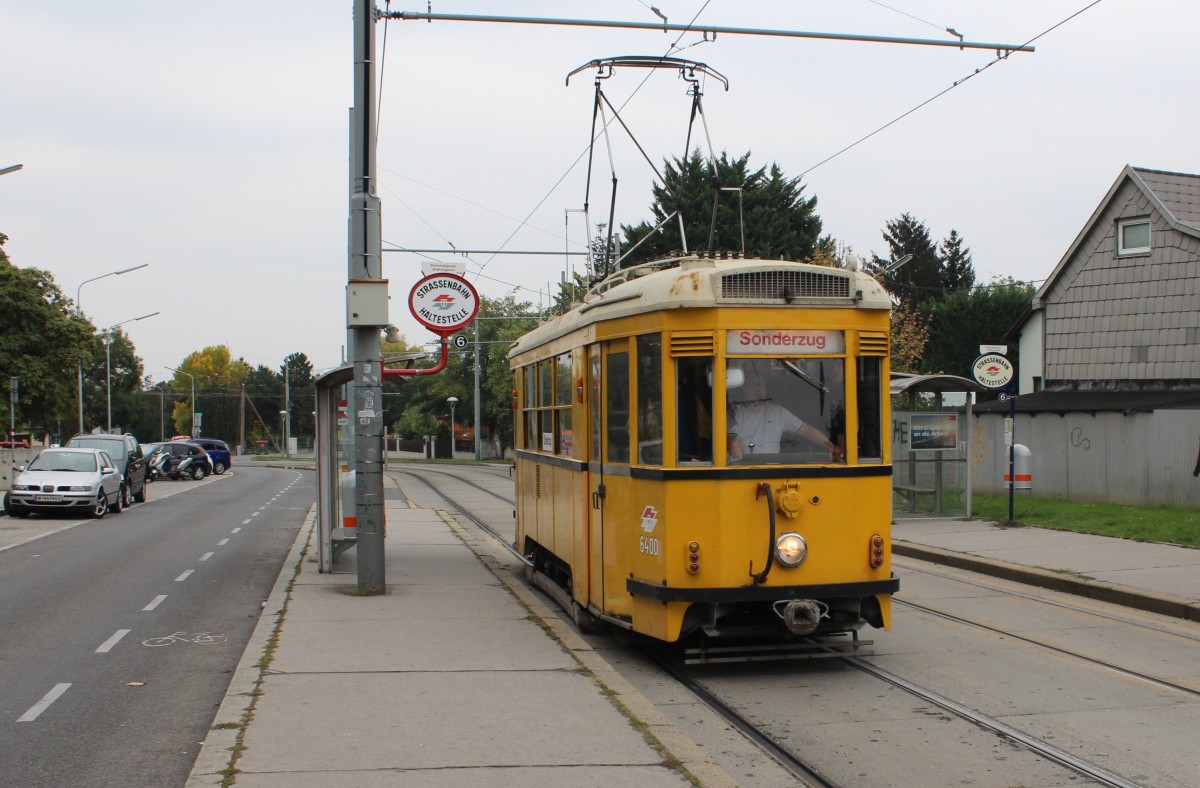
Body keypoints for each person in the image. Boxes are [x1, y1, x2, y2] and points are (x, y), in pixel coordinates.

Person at [726, 374, 842, 461]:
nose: (759, 389)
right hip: (746, 472)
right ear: (743, 388)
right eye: (754, 385)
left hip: (775, 471)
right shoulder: (734, 413)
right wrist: (734, 447)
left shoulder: (777, 412)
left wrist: (830, 446)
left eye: (762, 385)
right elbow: (731, 439)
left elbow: (806, 430)